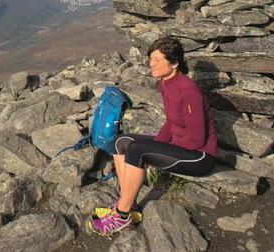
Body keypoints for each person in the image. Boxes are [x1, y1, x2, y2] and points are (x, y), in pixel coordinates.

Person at [88, 36, 218, 236]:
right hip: (180, 145)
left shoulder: (188, 91)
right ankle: (128, 204)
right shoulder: (165, 83)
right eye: (151, 59)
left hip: (199, 156)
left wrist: (155, 150)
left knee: (137, 150)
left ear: (174, 63)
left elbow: (197, 140)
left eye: (157, 60)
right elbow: (172, 122)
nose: (151, 64)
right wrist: (157, 145)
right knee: (120, 142)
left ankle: (121, 216)